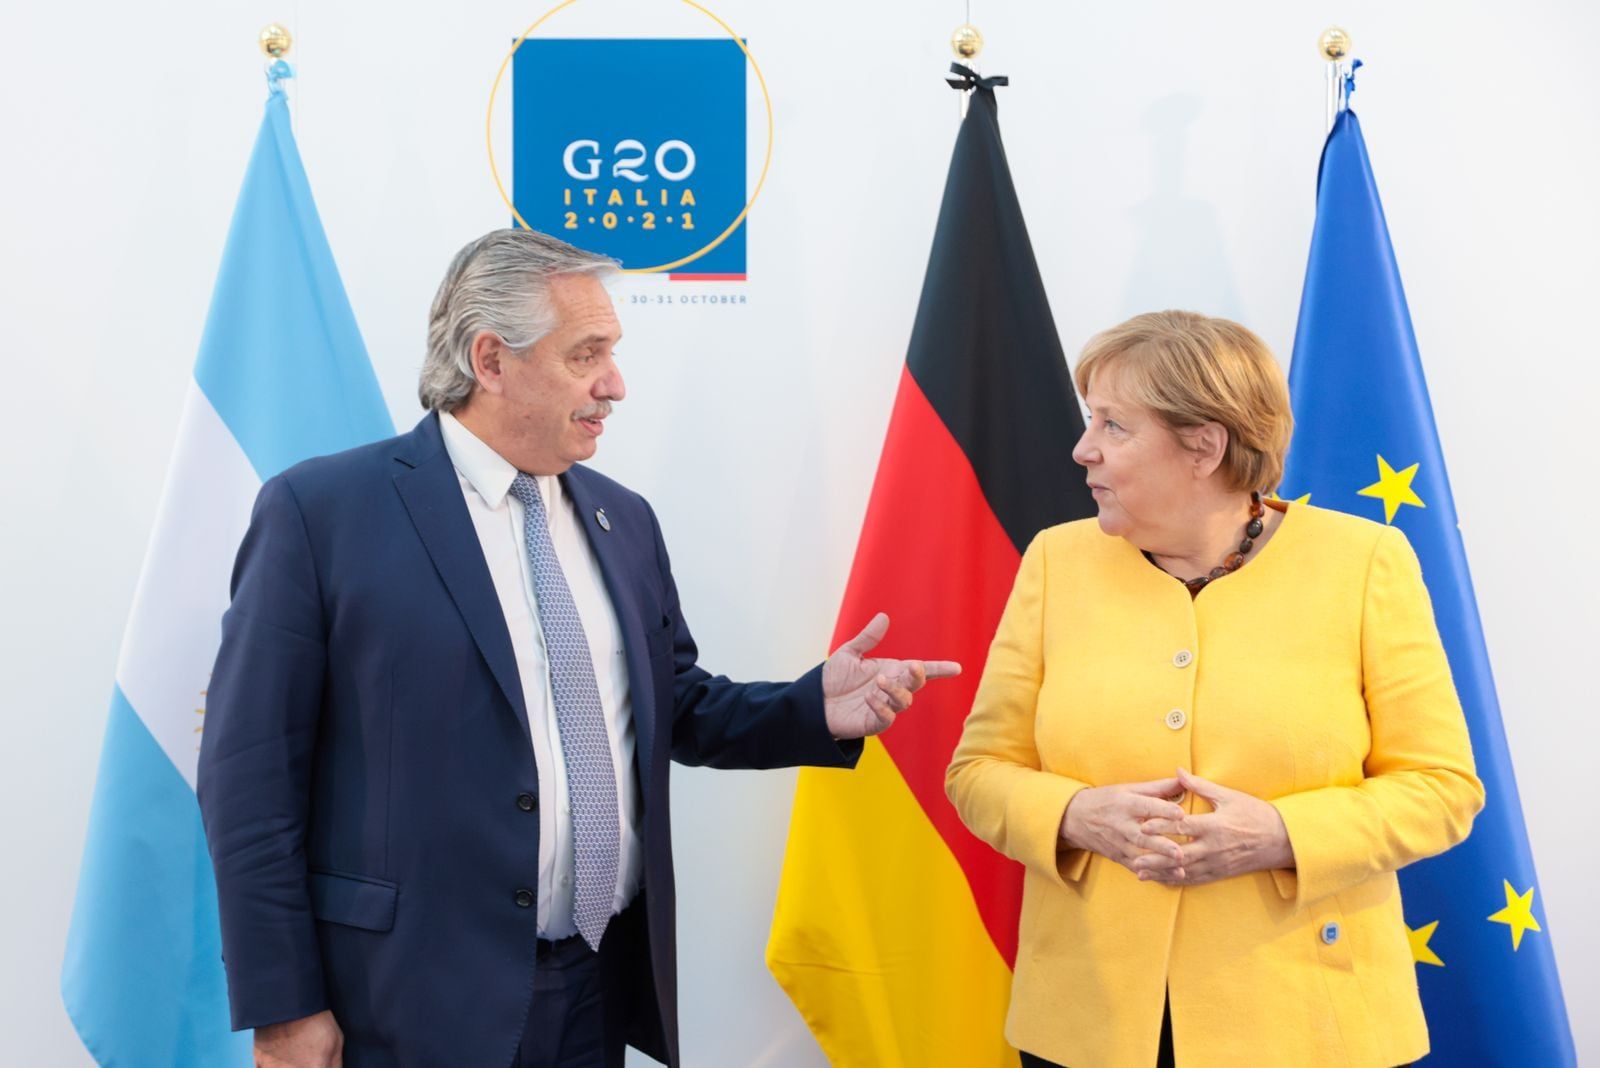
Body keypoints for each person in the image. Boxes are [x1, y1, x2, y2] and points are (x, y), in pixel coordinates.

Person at [196, 228, 960, 1068]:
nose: (614, 384)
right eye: (585, 354)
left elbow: (674, 704)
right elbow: (249, 778)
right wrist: (285, 1005)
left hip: (594, 991)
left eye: (613, 352)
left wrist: (813, 707)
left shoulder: (622, 517)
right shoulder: (323, 513)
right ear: (491, 359)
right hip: (402, 999)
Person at [945, 310, 1483, 1068]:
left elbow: (1442, 787)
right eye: (1088, 419)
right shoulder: (1054, 563)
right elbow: (977, 772)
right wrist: (1073, 814)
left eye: (1113, 425)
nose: (1083, 449)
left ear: (1204, 445)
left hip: (1311, 1026)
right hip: (1090, 1021)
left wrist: (1284, 837)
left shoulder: (1364, 562)